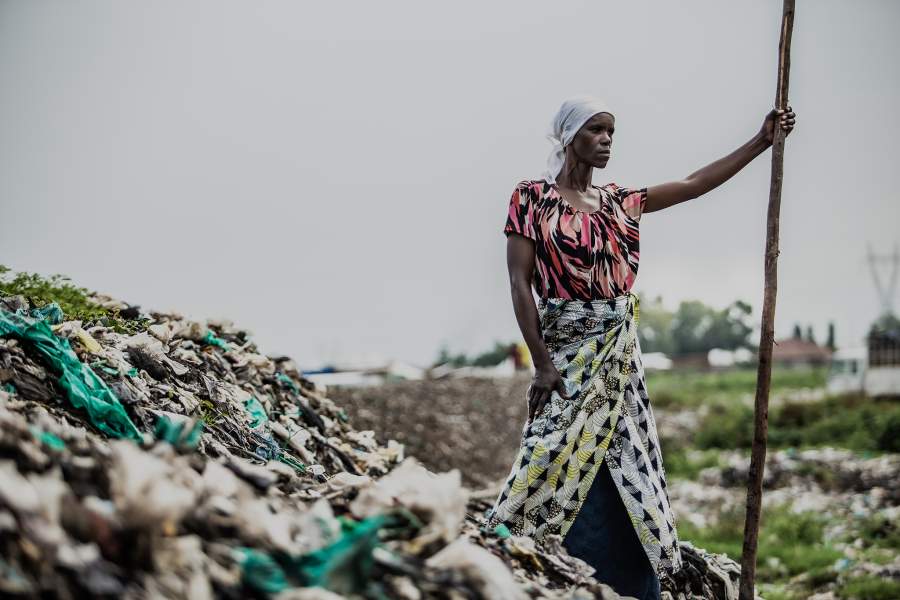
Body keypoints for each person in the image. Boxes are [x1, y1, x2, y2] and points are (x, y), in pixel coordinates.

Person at [485, 95, 795, 600]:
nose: (607, 140)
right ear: (569, 137)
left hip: (618, 358)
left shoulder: (618, 202)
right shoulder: (532, 198)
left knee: (627, 458)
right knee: (550, 452)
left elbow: (694, 184)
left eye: (611, 131)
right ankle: (532, 562)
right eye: (596, 130)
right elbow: (519, 283)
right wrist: (541, 364)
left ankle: (629, 582)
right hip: (565, 354)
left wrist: (761, 141)